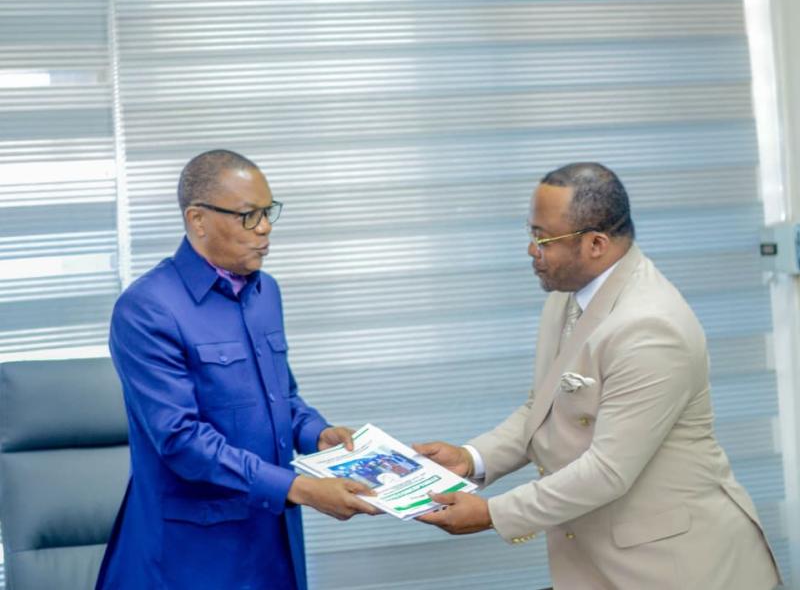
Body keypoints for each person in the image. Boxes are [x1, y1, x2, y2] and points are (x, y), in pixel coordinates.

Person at [414, 163, 781, 589]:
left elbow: (608, 470)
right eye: (530, 233)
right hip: (595, 564)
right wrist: (471, 458)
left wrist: (494, 514)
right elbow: (545, 408)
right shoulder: (569, 295)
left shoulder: (650, 327)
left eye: (542, 238)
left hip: (674, 567)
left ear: (595, 244)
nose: (531, 250)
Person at [96, 149, 378, 590]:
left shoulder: (266, 292)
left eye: (268, 213)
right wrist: (299, 488)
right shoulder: (147, 309)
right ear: (198, 219)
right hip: (190, 555)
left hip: (271, 542)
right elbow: (181, 440)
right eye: (248, 215)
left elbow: (281, 398)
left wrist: (318, 434)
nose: (264, 228)